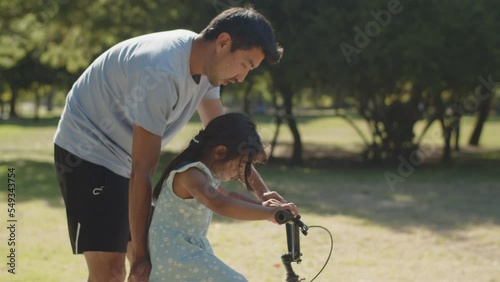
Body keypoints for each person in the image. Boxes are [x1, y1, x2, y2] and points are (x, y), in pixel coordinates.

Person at [53, 7, 287, 282]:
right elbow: (143, 170)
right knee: (112, 272)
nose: (242, 77)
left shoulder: (205, 67)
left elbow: (229, 143)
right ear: (223, 43)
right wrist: (139, 256)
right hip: (87, 152)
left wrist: (263, 193)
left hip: (124, 158)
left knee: (158, 262)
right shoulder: (162, 72)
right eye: (245, 64)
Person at [149, 113, 297, 281]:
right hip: (175, 256)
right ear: (220, 152)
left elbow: (227, 195)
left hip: (185, 252)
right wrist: (269, 213)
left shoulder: (204, 175)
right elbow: (221, 204)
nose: (240, 172)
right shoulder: (190, 175)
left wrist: (265, 207)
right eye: (240, 164)